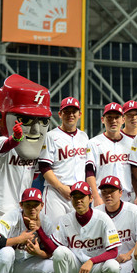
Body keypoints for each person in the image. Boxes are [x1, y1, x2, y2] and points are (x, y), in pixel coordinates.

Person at [46, 181, 121, 273]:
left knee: (114, 266)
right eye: (75, 197)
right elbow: (54, 247)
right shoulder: (65, 220)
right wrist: (40, 231)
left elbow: (114, 251)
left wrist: (91, 261)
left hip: (96, 267)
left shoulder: (103, 219)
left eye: (82, 197)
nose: (78, 200)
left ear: (91, 198)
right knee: (59, 252)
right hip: (74, 267)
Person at [0, 75, 51, 224]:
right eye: (25, 120)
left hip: (23, 203)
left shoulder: (35, 147)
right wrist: (15, 138)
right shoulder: (2, 141)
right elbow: (5, 146)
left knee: (21, 243)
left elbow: (36, 172)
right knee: (2, 243)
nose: (35, 128)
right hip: (3, 202)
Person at [38, 97, 89, 226]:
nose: (71, 114)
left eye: (74, 111)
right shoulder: (51, 136)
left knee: (77, 232)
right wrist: (61, 188)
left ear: (80, 114)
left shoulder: (84, 137)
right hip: (56, 193)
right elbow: (44, 166)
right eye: (67, 111)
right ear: (60, 114)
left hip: (79, 194)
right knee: (55, 230)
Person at [94, 175, 137, 273]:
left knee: (121, 272)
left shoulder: (134, 211)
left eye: (112, 191)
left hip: (130, 257)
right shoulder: (96, 212)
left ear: (121, 193)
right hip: (107, 257)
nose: (108, 195)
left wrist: (128, 255)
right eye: (104, 192)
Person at [86, 103, 134, 206]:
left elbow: (136, 172)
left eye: (117, 117)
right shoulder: (93, 143)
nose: (113, 121)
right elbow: (89, 172)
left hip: (127, 197)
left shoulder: (132, 143)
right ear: (103, 120)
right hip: (102, 197)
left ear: (123, 120)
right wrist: (96, 197)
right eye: (109, 117)